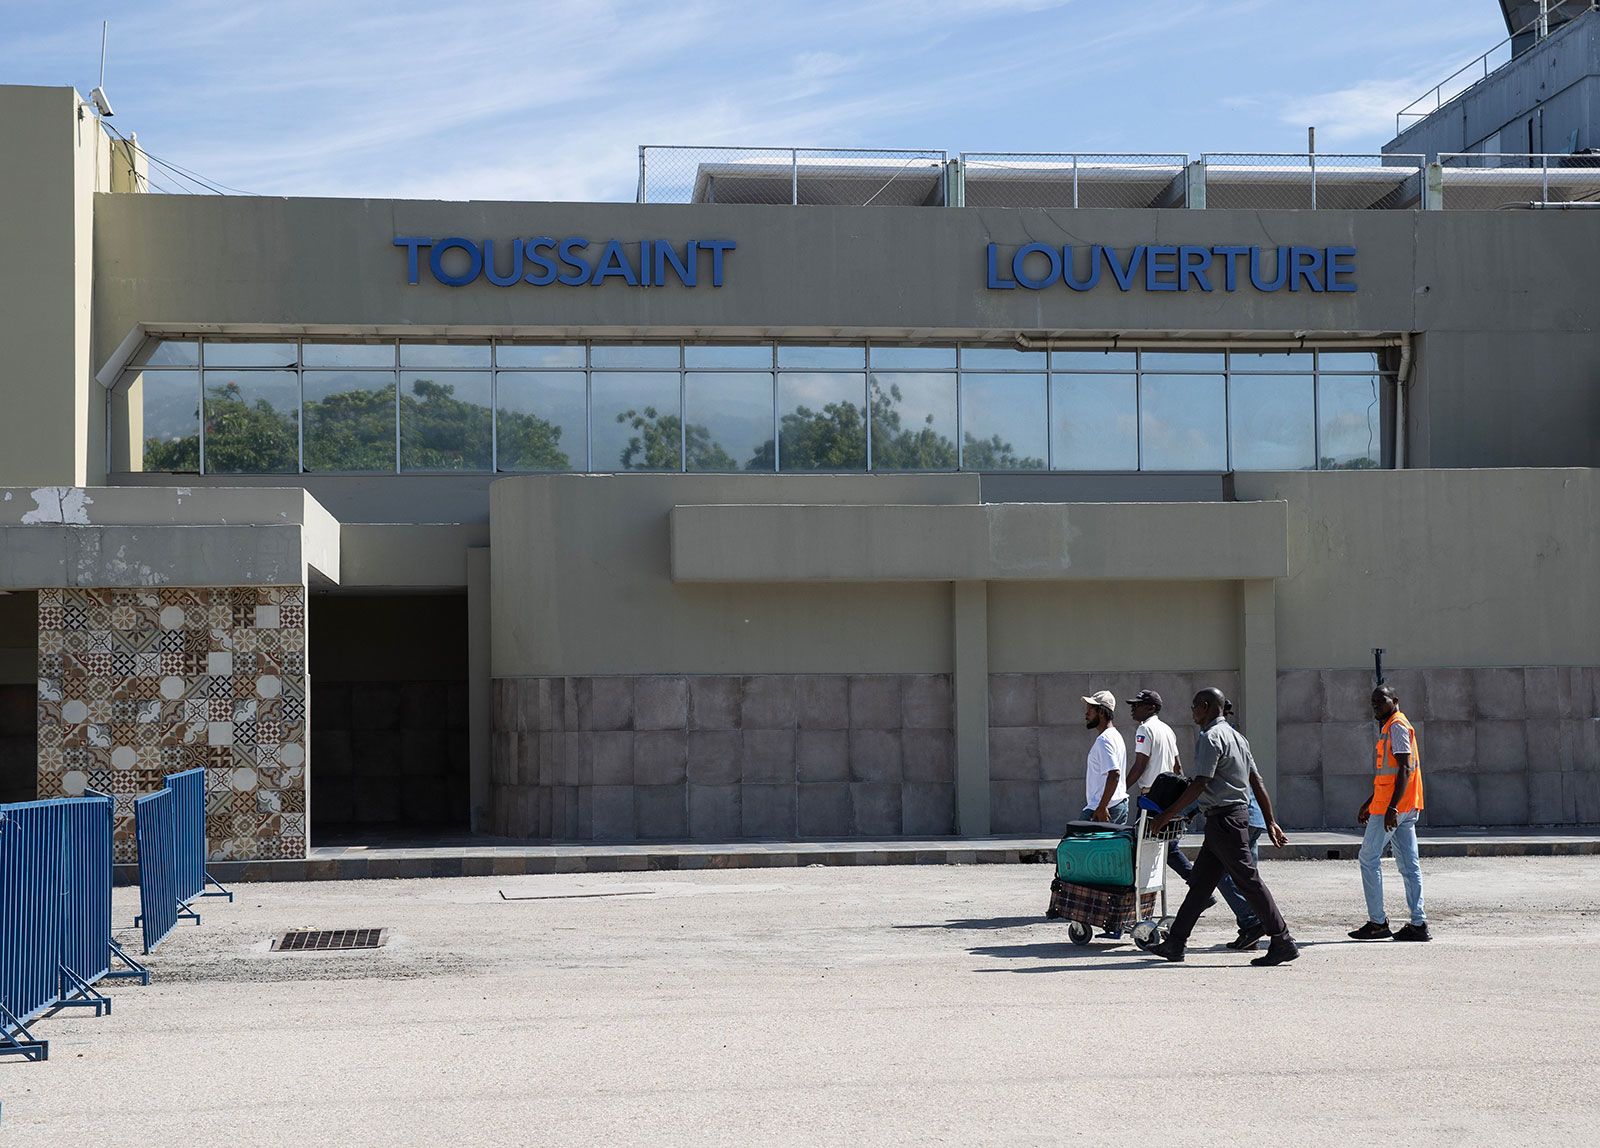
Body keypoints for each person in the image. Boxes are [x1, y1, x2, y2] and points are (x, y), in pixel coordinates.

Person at [1143, 689, 1299, 967]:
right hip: (1225, 820)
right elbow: (1257, 781)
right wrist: (1270, 820)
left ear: (1205, 706)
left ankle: (1282, 940)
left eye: (1194, 706)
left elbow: (1201, 783)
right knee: (1201, 884)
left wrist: (1166, 815)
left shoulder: (1211, 737)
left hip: (1225, 821)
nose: (1192, 712)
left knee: (1248, 881)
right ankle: (1176, 942)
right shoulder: (1237, 737)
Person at [1349, 685, 1430, 942]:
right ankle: (1418, 924)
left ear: (1395, 700)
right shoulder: (1391, 726)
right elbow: (1390, 774)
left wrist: (1391, 808)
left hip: (1393, 808)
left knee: (1368, 857)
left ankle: (1378, 923)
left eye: (1381, 700)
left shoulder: (1396, 726)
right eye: (1373, 701)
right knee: (1409, 865)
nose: (1376, 705)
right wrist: (1370, 802)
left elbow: (1405, 768)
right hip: (1400, 805)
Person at [1080, 690, 1127, 825]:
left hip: (1103, 809)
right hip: (1116, 804)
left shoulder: (1104, 740)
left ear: (1101, 712)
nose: (1086, 714)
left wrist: (1102, 807)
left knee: (1076, 837)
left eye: (1090, 709)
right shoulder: (1115, 736)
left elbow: (1114, 773)